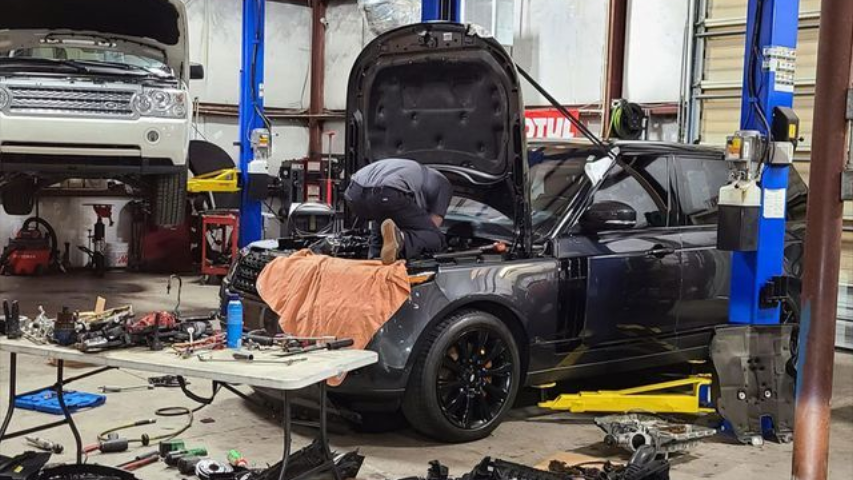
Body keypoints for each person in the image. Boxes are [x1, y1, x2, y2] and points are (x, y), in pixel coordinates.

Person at [344, 158, 453, 264]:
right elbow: (434, 223)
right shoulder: (443, 184)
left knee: (385, 221)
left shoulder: (410, 172)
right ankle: (400, 238)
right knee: (436, 238)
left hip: (353, 194)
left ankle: (374, 259)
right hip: (386, 193)